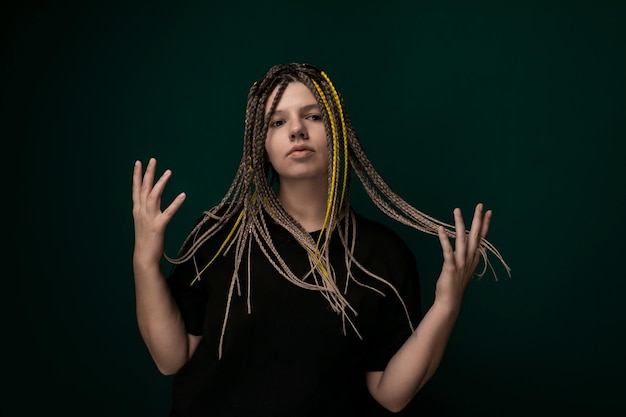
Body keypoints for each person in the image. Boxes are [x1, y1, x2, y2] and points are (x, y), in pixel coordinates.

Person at [131, 63, 509, 416]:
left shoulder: (383, 255)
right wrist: (145, 261)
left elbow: (390, 394)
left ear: (339, 133)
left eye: (313, 116)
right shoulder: (218, 235)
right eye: (277, 122)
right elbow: (171, 357)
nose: (297, 130)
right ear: (259, 142)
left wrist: (447, 304)